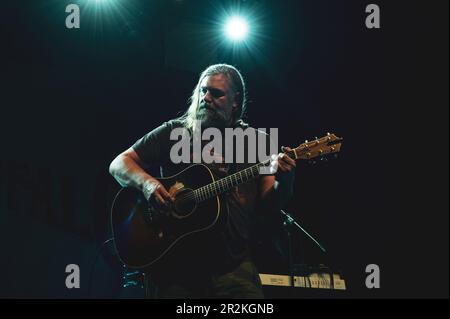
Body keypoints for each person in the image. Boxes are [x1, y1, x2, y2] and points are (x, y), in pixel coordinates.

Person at [109, 64, 296, 298]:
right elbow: (119, 163)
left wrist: (285, 180)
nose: (206, 98)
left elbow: (270, 204)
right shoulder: (175, 132)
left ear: (235, 101)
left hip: (233, 267)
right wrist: (148, 184)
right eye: (202, 91)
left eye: (216, 93)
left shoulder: (258, 142)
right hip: (175, 268)